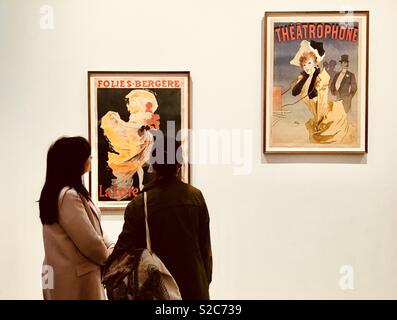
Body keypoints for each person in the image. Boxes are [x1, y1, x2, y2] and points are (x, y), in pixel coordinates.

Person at [110, 137, 212, 300]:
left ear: (153, 166)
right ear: (179, 165)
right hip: (194, 286)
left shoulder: (139, 204)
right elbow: (205, 248)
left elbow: (123, 253)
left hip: (157, 289)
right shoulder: (195, 197)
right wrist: (204, 282)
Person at [39, 136, 114, 300]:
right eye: (87, 155)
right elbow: (89, 242)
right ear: (74, 162)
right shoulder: (69, 196)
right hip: (75, 278)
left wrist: (111, 244)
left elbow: (94, 230)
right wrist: (109, 255)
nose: (91, 158)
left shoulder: (57, 193)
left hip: (59, 273)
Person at [290, 40, 354, 144]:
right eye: (304, 64)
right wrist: (305, 77)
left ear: (315, 63)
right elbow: (294, 92)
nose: (306, 66)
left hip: (327, 115)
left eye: (309, 63)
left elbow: (312, 95)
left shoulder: (322, 77)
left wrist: (314, 75)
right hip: (317, 116)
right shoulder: (303, 78)